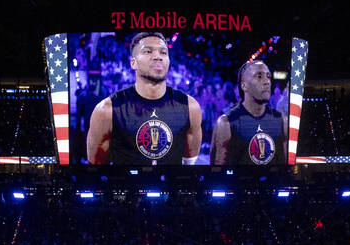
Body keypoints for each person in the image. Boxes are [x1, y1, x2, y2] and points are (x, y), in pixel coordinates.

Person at [86, 31, 204, 165]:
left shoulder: (190, 107)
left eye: (163, 52)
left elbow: (189, 166)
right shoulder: (107, 111)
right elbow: (96, 167)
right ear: (133, 63)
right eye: (148, 51)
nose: (157, 56)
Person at [211, 59, 286, 168]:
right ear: (244, 86)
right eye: (259, 76)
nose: (267, 81)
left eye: (268, 76)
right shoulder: (226, 123)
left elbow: (285, 169)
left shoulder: (282, 121)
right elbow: (216, 171)